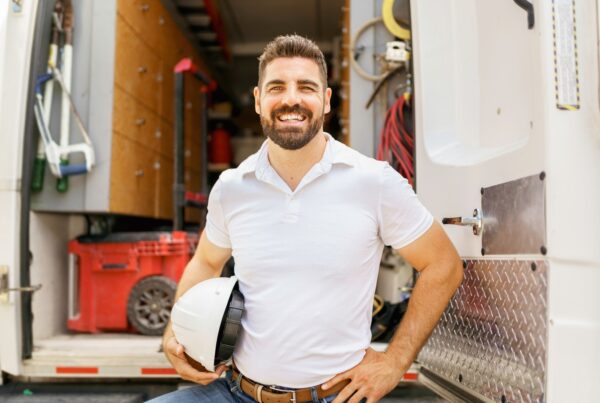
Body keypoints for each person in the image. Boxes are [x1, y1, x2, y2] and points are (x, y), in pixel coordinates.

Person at [149, 34, 463, 403]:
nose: (291, 99)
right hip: (236, 392)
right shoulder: (232, 187)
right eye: (277, 87)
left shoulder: (373, 182)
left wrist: (395, 361)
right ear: (258, 100)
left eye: (306, 87)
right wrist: (174, 331)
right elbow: (206, 261)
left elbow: (443, 265)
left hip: (333, 397)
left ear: (326, 101)